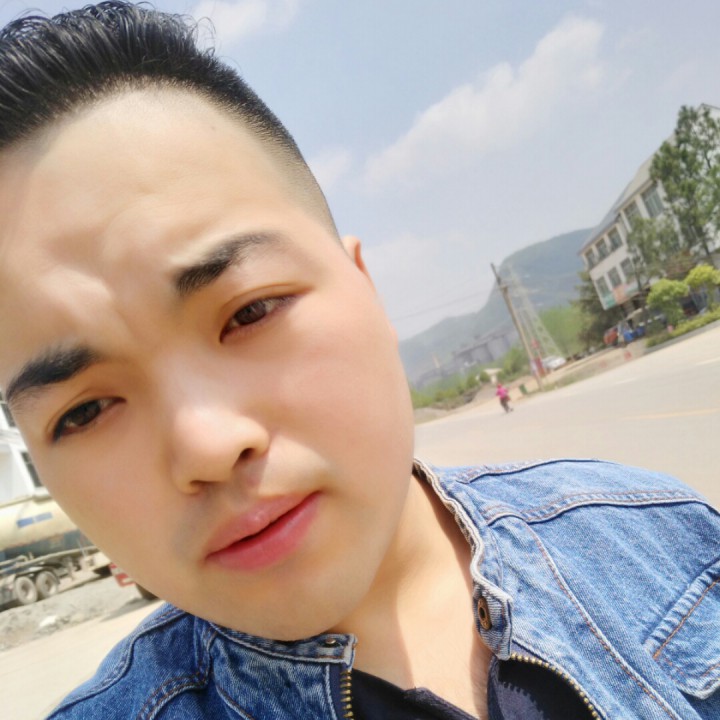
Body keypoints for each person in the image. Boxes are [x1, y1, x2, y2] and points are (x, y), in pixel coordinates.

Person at [0, 4, 717, 718]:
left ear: (364, 286)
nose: (209, 446)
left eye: (250, 312)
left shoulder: (658, 539)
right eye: (85, 411)